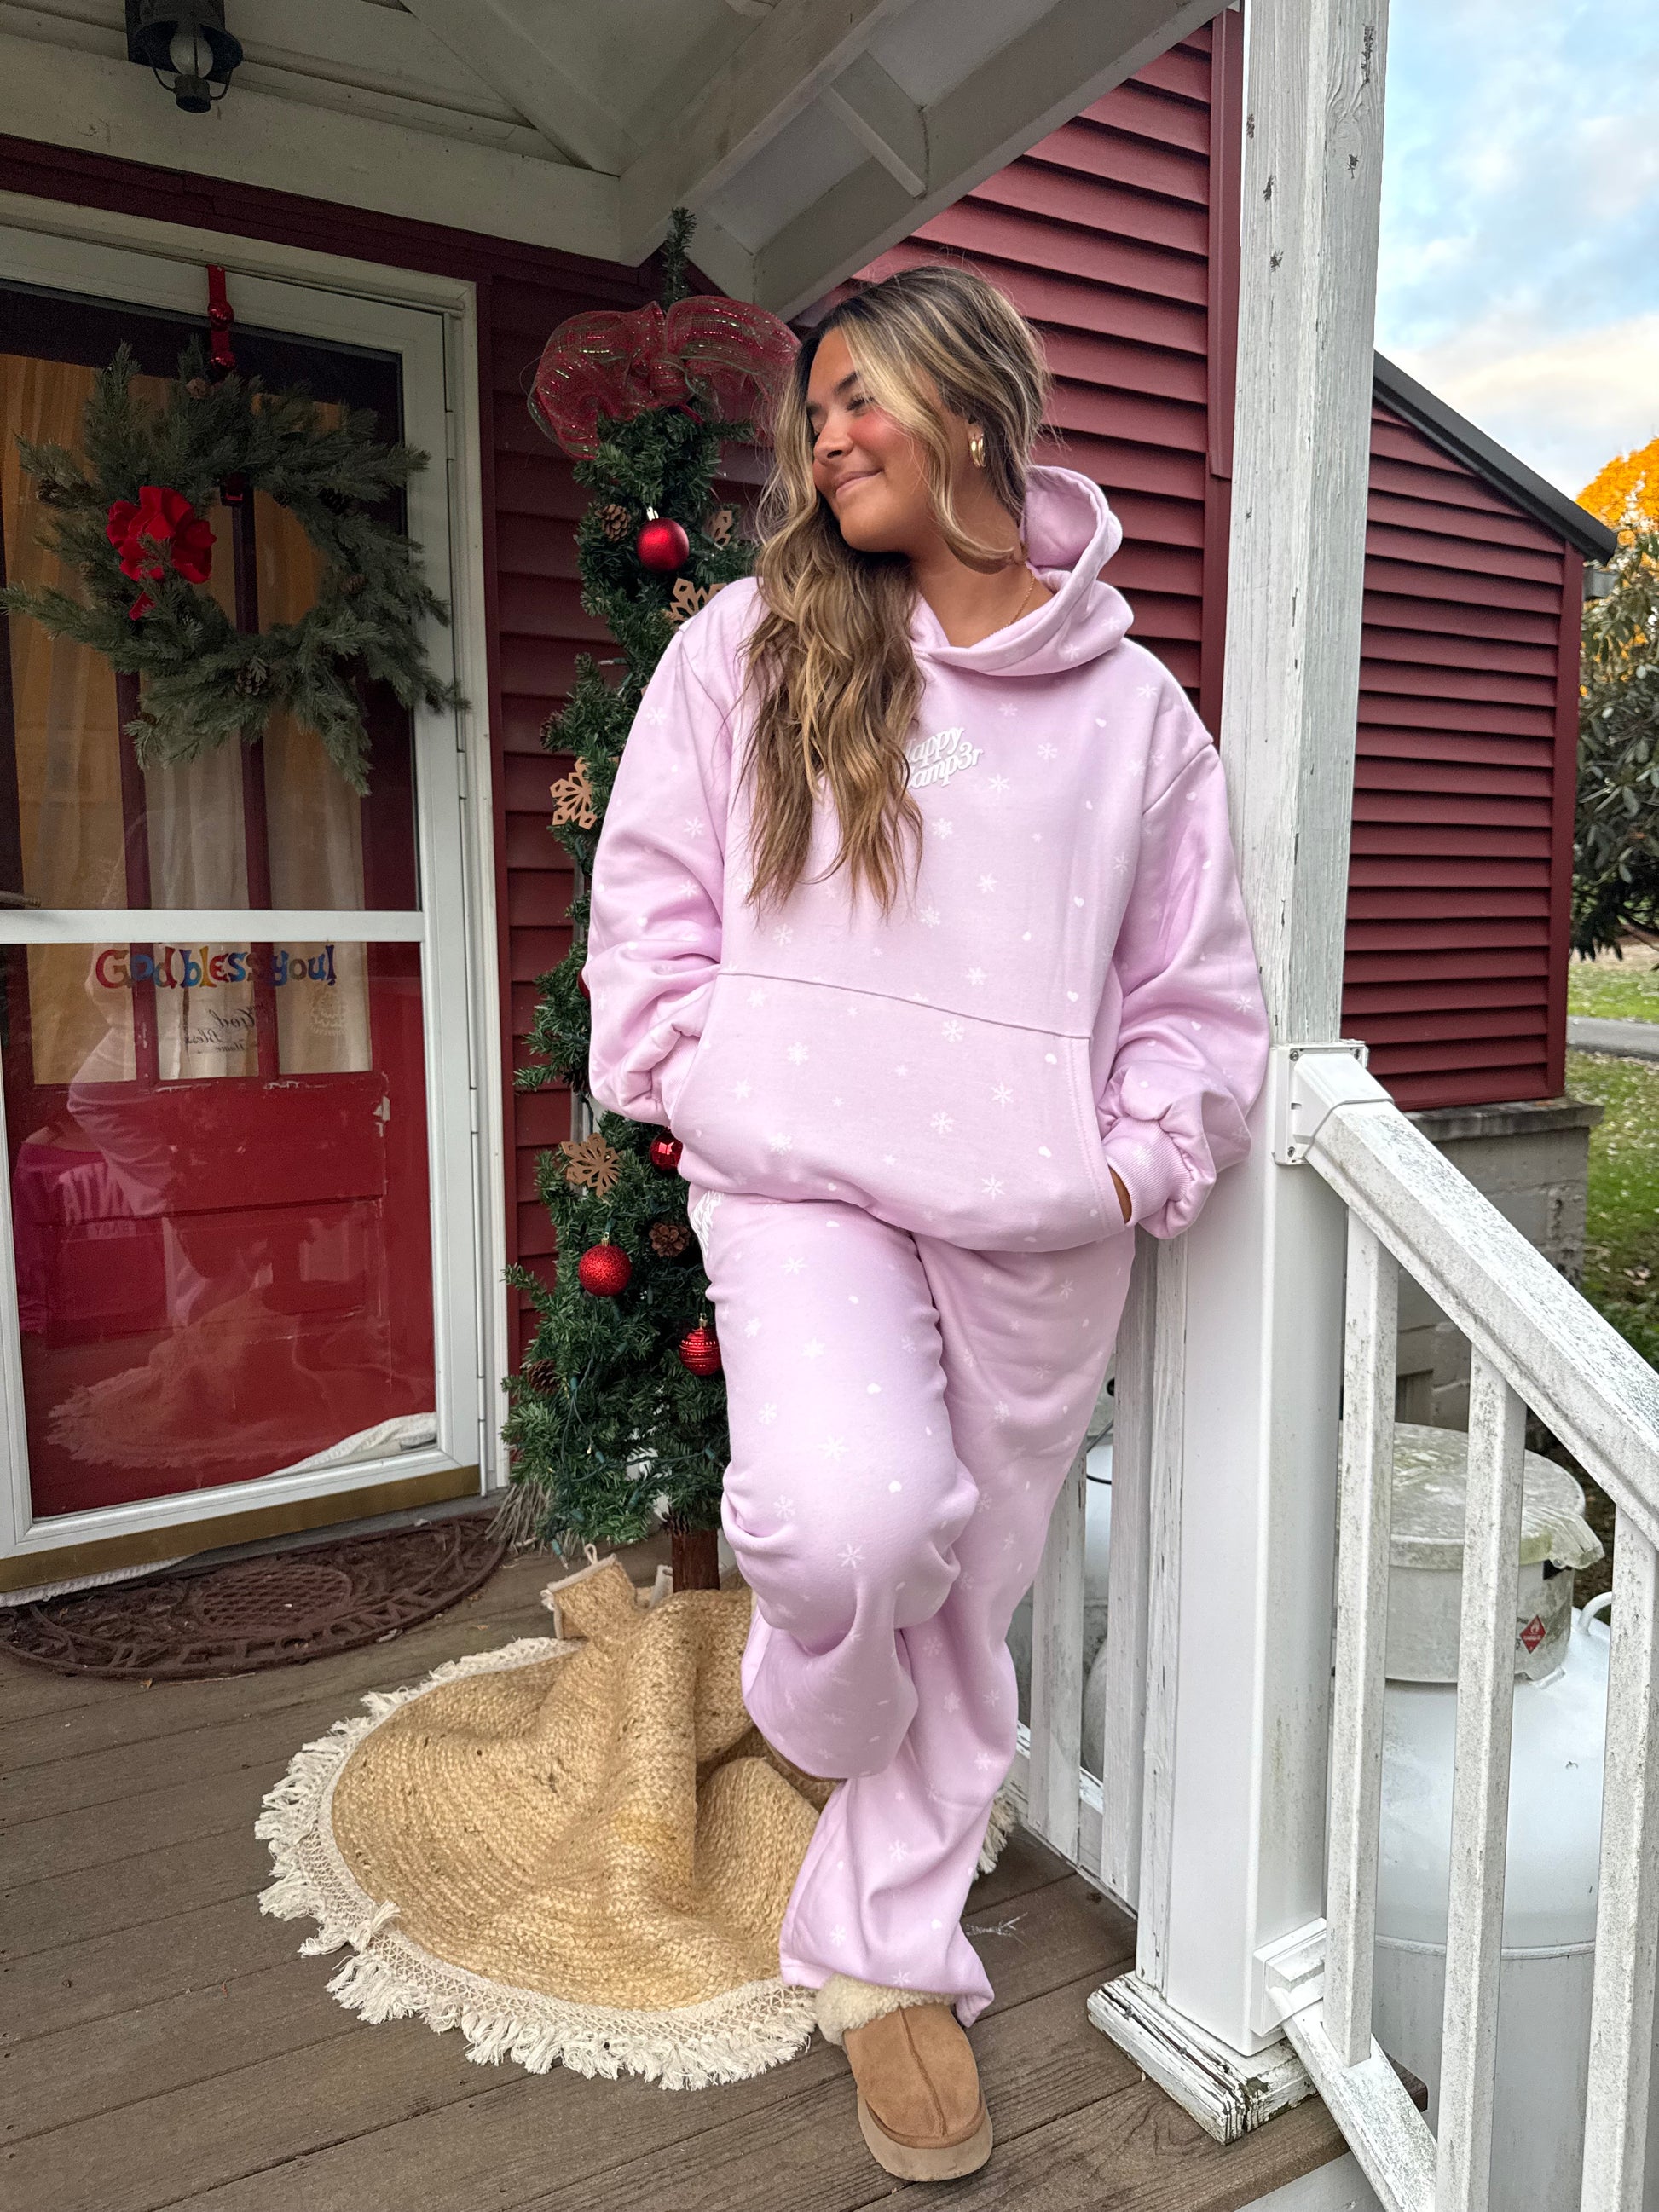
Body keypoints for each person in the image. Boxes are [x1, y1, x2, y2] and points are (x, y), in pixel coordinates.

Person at [581, 264, 1271, 2182]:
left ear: (973, 407)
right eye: (811, 411)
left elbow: (1192, 989)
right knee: (848, 1523)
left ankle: (884, 1954)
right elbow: (651, 896)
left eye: (859, 395)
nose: (826, 435)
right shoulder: (750, 644)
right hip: (797, 1173)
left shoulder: (1132, 714)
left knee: (963, 1606)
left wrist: (1128, 1163)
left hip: (1036, 1221)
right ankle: (813, 1709)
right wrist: (700, 1065)